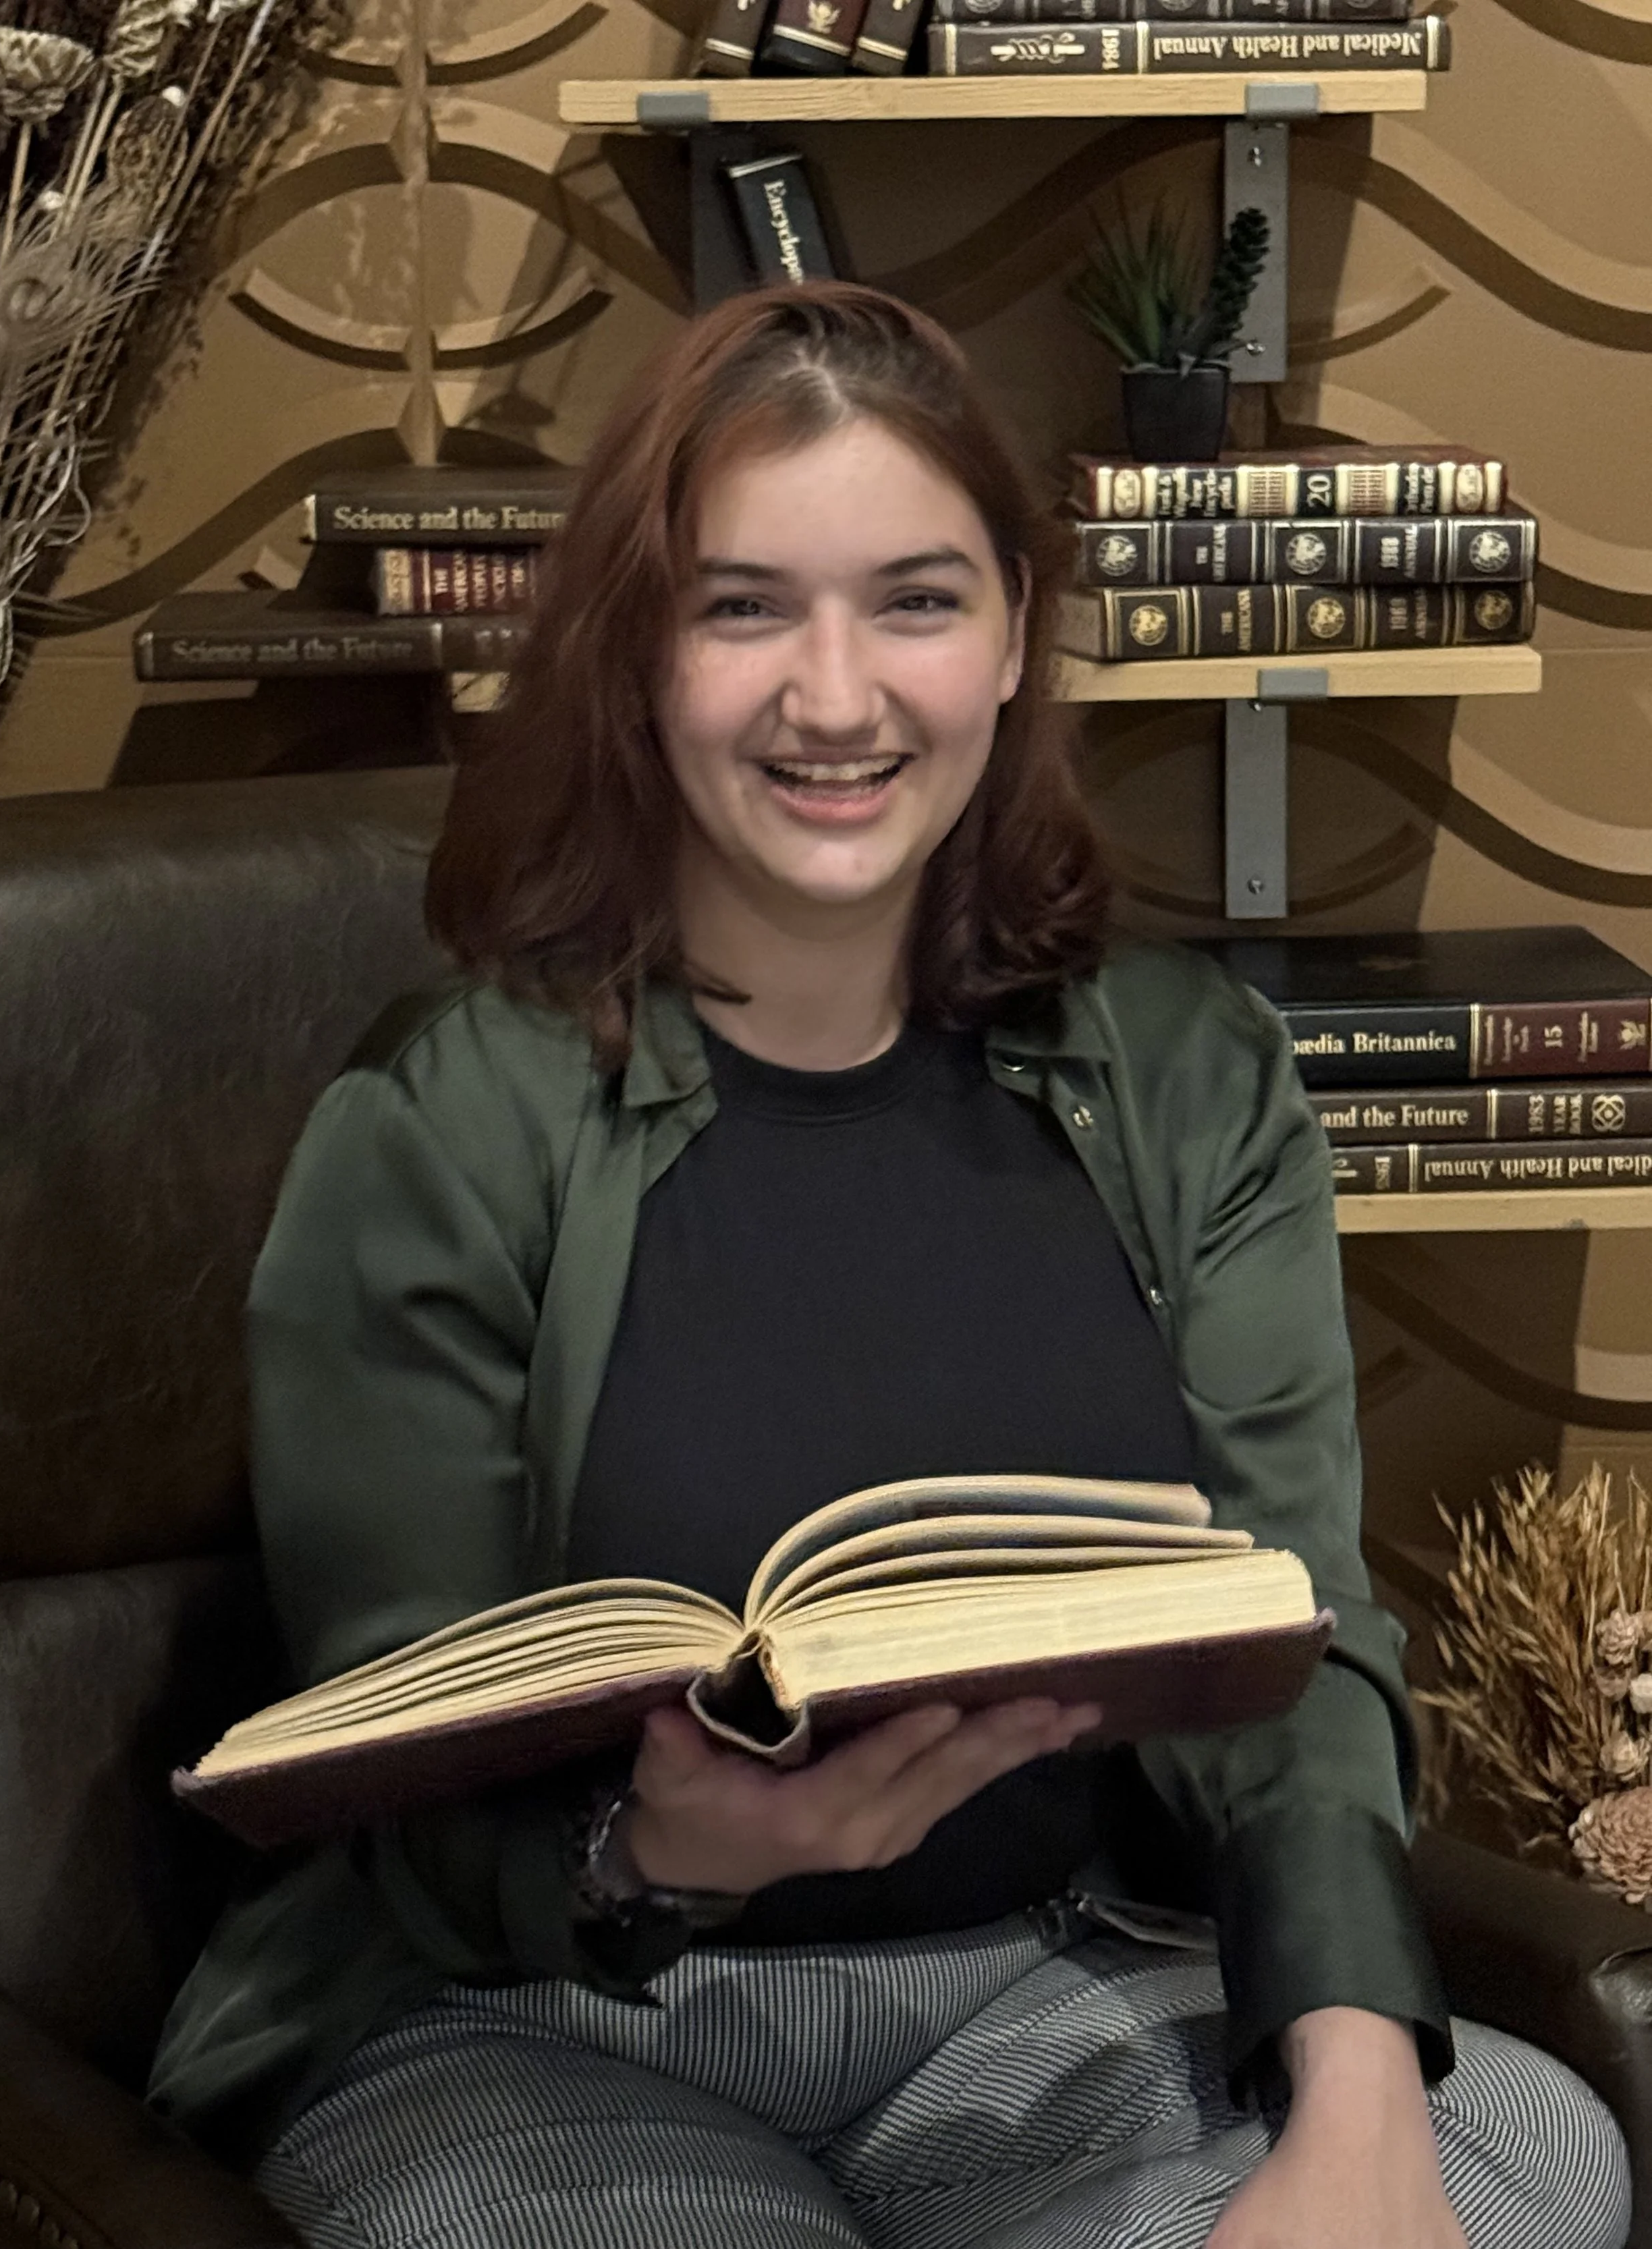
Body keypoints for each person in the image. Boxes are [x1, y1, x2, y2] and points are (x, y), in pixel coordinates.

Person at [151, 281, 1630, 2249]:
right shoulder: (442, 1118)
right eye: (743, 607)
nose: (835, 698)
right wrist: (649, 1843)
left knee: (1529, 2154)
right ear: (639, 651)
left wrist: (1354, 2099)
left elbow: (1298, 1640)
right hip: (532, 2020)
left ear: (1013, 631)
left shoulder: (1190, 1080)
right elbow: (380, 1730)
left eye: (915, 601)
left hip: (1031, 1990)